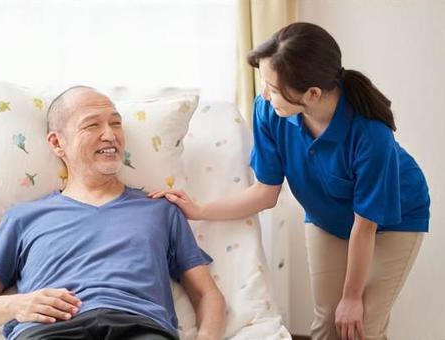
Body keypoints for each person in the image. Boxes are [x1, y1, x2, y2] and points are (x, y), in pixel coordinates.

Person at [149, 22, 430, 340]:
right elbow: (265, 193)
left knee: (360, 324)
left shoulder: (370, 134)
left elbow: (364, 227)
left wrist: (351, 297)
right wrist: (199, 210)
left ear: (312, 94)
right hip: (328, 217)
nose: (265, 94)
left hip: (393, 221)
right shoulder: (269, 111)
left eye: (273, 87)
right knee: (327, 320)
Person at [0, 86, 226, 340]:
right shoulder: (24, 217)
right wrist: (17, 305)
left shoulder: (161, 209)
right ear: (57, 143)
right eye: (92, 125)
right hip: (50, 330)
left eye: (116, 123)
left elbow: (206, 294)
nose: (110, 135)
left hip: (138, 327)